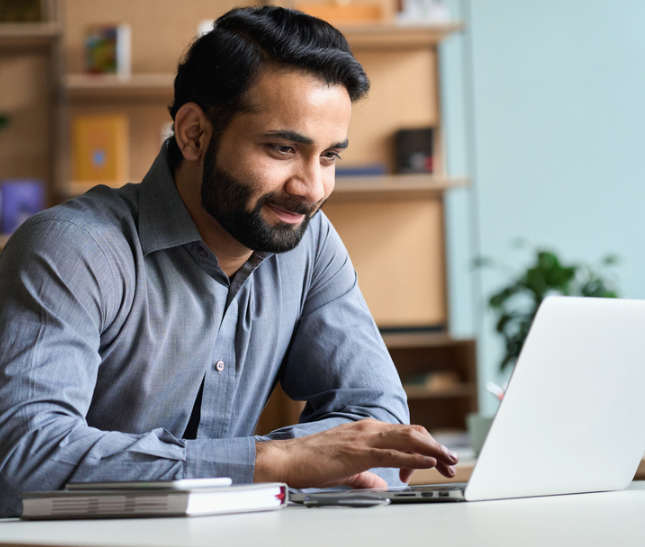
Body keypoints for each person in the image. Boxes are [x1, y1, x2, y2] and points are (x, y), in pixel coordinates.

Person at [0, 6, 457, 517]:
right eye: (284, 148)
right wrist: (274, 460)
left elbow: (380, 420)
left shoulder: (308, 242)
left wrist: (290, 461)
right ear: (194, 133)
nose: (313, 189)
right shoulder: (72, 248)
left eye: (330, 157)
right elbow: (26, 459)